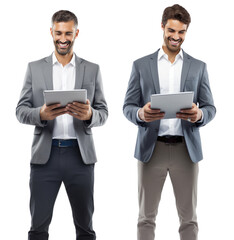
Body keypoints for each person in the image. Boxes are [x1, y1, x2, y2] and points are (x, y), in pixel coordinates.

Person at [123, 4, 216, 240]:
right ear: (162, 26)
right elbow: (128, 106)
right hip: (150, 149)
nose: (176, 37)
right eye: (172, 30)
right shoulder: (141, 65)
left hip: (187, 150)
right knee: (146, 218)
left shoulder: (198, 66)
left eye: (182, 32)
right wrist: (141, 114)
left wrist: (199, 115)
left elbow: (210, 107)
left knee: (189, 220)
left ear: (187, 31)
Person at [16, 10, 108, 240]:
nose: (63, 38)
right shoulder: (34, 68)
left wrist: (89, 115)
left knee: (85, 228)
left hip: (80, 157)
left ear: (77, 33)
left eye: (68, 33)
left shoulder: (92, 68)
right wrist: (41, 114)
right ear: (51, 32)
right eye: (58, 33)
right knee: (38, 228)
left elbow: (104, 112)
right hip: (44, 159)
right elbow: (20, 110)